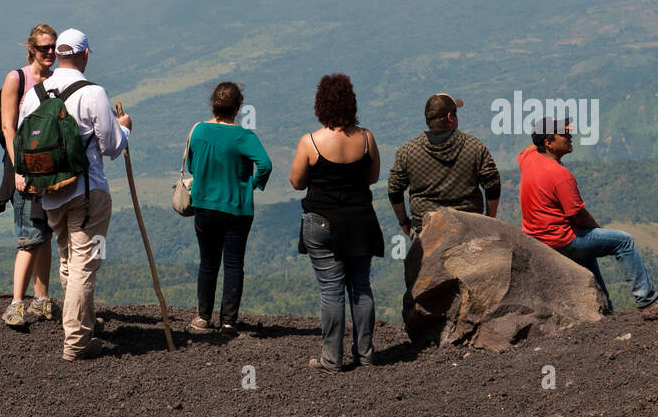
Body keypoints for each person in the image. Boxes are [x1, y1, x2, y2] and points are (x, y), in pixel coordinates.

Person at [16, 28, 132, 360]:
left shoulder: (35, 94)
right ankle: (77, 342)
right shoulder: (92, 92)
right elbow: (111, 146)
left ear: (60, 54)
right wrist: (124, 126)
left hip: (50, 193)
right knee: (84, 265)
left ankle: (81, 328)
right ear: (83, 55)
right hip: (87, 190)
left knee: (68, 260)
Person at [290, 73, 384, 372]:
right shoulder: (367, 139)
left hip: (322, 221)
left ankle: (332, 357)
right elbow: (372, 177)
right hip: (360, 221)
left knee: (331, 290)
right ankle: (365, 353)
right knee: (361, 287)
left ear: (321, 105)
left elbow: (296, 182)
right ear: (351, 103)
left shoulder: (311, 142)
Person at [519, 117, 658, 318]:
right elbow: (577, 215)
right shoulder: (561, 175)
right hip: (562, 240)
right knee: (624, 242)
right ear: (548, 143)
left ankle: (605, 309)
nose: (570, 136)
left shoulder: (528, 157)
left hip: (537, 237)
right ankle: (647, 301)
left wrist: (542, 133)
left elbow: (533, 145)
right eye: (564, 134)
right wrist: (597, 229)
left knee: (588, 255)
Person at [187, 81, 272, 336]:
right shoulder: (244, 136)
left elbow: (192, 166)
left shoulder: (199, 131)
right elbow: (265, 164)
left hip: (204, 205)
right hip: (237, 208)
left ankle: (203, 317)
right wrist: (252, 185)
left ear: (214, 104)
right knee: (234, 264)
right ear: (238, 107)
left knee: (208, 262)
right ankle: (228, 322)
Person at [0, 22, 58, 331]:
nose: (50, 52)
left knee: (45, 235)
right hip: (23, 168)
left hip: (49, 171)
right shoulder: (17, 79)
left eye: (53, 47)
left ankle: (42, 299)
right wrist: (18, 169)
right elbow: (9, 128)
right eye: (44, 48)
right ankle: (16, 304)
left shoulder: (55, 80)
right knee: (29, 237)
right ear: (31, 49)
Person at [387, 93, 501, 238]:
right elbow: (493, 184)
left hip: (425, 231)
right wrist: (489, 219)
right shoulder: (474, 146)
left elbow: (393, 189)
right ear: (449, 117)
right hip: (469, 229)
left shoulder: (408, 151)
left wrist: (403, 222)